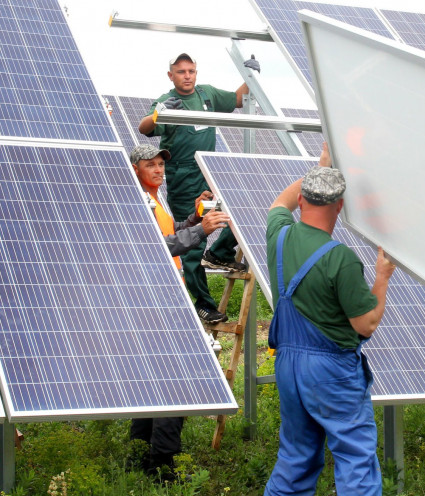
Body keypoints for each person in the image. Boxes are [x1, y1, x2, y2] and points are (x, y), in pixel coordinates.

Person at [263, 144, 396, 495]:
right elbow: (365, 324)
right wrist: (382, 277)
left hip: (288, 365)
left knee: (296, 454)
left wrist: (317, 169)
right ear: (340, 206)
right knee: (354, 455)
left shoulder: (278, 235)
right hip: (331, 373)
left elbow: (279, 204)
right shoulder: (341, 260)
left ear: (304, 199)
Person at [129, 143, 231, 479]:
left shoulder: (155, 200)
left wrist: (196, 216)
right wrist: (200, 230)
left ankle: (139, 452)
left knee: (156, 378)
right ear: (135, 170)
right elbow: (154, 247)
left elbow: (169, 234)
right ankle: (162, 464)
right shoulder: (136, 201)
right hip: (156, 300)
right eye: (150, 165)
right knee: (176, 378)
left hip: (165, 295)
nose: (159, 170)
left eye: (161, 164)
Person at [138, 52, 260, 324]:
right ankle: (205, 305)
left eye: (191, 71)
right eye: (181, 72)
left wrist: (250, 75)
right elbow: (144, 126)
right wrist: (161, 112)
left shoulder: (208, 95)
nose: (187, 76)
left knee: (239, 213)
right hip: (184, 179)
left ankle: (219, 253)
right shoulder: (166, 101)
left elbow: (239, 99)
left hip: (209, 173)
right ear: (171, 75)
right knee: (193, 241)